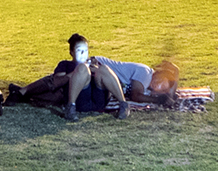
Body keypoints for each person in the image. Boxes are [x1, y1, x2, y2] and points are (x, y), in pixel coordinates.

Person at [10, 34, 180, 121]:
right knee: (82, 70)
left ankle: (123, 105)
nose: (83, 54)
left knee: (103, 69)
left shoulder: (96, 65)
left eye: (85, 50)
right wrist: (76, 73)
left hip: (98, 97)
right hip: (81, 97)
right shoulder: (65, 65)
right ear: (71, 52)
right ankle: (69, 107)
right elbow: (54, 83)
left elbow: (167, 95)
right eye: (79, 50)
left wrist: (95, 70)